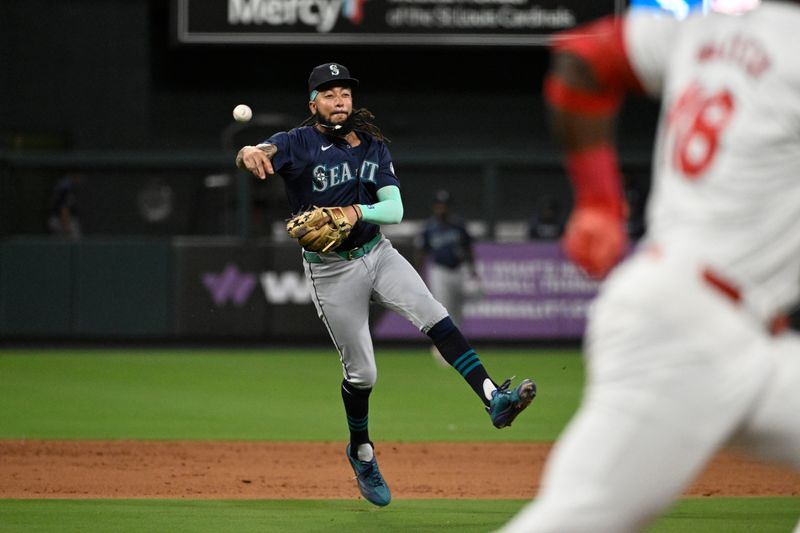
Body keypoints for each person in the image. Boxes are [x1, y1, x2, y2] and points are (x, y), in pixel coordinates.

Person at [499, 3, 800, 532]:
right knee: (577, 519)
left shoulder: (703, 30)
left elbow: (584, 57)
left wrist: (597, 200)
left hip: (739, 336)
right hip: (687, 333)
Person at [235, 62, 536, 508]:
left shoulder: (371, 146)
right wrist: (247, 152)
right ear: (313, 102)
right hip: (331, 270)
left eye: (346, 94)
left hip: (378, 253)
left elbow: (393, 209)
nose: (340, 102)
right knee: (364, 374)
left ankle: (494, 398)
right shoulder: (294, 142)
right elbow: (258, 151)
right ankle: (362, 452)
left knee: (436, 316)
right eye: (330, 94)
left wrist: (356, 213)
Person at [416, 190, 480, 365]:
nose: (441, 209)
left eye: (444, 206)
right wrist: (418, 275)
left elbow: (468, 249)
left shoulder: (458, 225)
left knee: (457, 311)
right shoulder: (429, 227)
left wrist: (473, 271)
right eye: (438, 205)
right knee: (442, 310)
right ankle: (441, 348)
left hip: (458, 269)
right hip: (439, 271)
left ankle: (456, 349)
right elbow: (422, 252)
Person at [47, 172, 83, 239]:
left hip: (58, 220)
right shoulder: (66, 186)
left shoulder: (62, 184)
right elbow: (63, 207)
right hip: (62, 221)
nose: (81, 178)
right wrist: (66, 225)